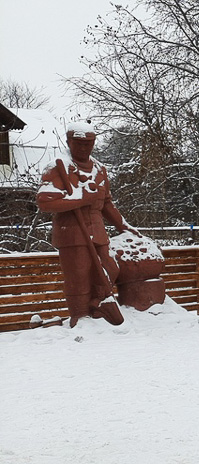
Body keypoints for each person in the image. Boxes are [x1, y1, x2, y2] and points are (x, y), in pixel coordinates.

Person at [36, 122, 138, 327]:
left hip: (97, 230)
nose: (84, 148)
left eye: (88, 144)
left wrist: (123, 226)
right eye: (79, 144)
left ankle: (96, 304)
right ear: (69, 142)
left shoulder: (100, 169)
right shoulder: (58, 168)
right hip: (71, 232)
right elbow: (45, 202)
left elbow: (107, 203)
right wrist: (80, 200)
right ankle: (80, 317)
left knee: (110, 266)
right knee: (79, 275)